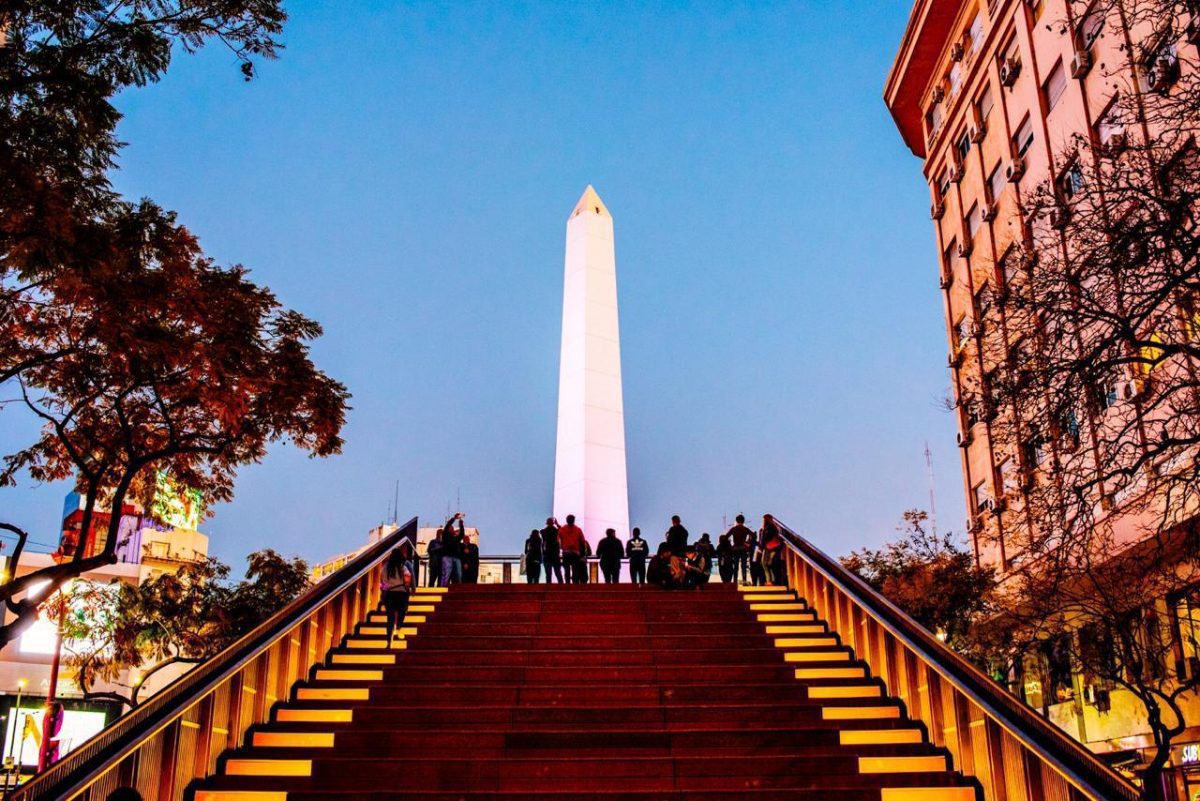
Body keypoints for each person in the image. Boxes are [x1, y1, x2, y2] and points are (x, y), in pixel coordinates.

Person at [381, 541, 416, 648]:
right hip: (401, 592)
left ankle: (388, 641)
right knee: (402, 610)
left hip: (390, 593)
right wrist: (408, 586)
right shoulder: (402, 565)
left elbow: (382, 579)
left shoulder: (386, 566)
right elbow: (408, 575)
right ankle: (399, 626)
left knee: (390, 618)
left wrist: (384, 588)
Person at [726, 514, 754, 584]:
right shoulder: (745, 529)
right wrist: (747, 543)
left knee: (735, 566)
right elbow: (753, 536)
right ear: (743, 521)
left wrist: (731, 546)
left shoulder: (733, 529)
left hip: (735, 549)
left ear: (736, 520)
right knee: (744, 566)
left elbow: (726, 537)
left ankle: (735, 581)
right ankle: (744, 580)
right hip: (743, 548)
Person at [559, 514, 586, 583]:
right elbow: (582, 542)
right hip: (575, 552)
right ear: (574, 520)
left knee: (567, 570)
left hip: (566, 552)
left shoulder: (562, 529)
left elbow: (558, 541)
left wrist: (561, 548)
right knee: (575, 569)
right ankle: (575, 584)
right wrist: (583, 554)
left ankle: (568, 584)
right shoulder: (578, 529)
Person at [760, 513, 785, 586]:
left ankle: (769, 581)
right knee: (769, 564)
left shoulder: (768, 528)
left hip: (768, 547)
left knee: (764, 563)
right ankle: (772, 581)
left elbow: (765, 538)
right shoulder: (774, 527)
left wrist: (761, 546)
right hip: (774, 547)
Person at [440, 514, 464, 586]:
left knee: (459, 574)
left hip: (456, 557)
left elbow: (462, 534)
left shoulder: (456, 538)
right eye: (450, 528)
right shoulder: (445, 535)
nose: (451, 528)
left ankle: (459, 588)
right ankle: (443, 587)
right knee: (446, 573)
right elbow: (447, 526)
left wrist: (461, 524)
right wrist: (454, 518)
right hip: (447, 556)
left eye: (452, 528)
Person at [541, 517, 563, 584]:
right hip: (555, 554)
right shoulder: (556, 531)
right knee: (558, 572)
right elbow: (562, 530)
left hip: (547, 554)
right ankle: (562, 587)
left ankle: (548, 588)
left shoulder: (543, 531)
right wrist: (557, 524)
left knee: (548, 574)